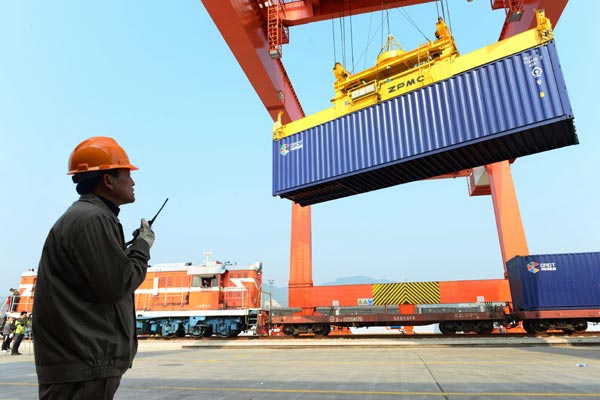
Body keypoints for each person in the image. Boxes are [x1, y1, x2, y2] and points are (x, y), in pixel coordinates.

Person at [32, 137, 155, 400]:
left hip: (78, 361)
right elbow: (116, 285)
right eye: (126, 174)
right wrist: (142, 247)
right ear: (108, 180)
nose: (133, 182)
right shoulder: (95, 219)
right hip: (85, 364)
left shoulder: (86, 217)